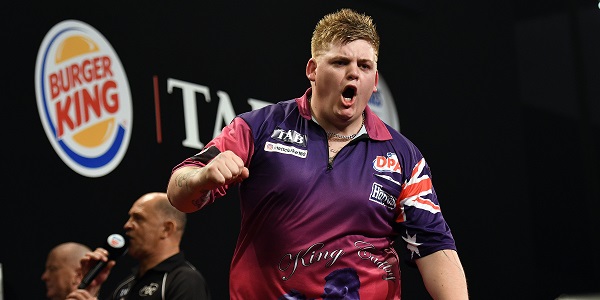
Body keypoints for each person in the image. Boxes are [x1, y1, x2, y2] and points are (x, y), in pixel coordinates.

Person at [166, 8, 468, 300]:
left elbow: (433, 246)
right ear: (313, 70)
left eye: (364, 66)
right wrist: (203, 176)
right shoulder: (259, 127)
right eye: (340, 62)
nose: (353, 73)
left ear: (374, 81)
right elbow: (178, 193)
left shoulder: (404, 155)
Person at [65, 192, 211, 300]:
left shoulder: (185, 281)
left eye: (138, 218)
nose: (127, 225)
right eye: (129, 218)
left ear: (166, 229)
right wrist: (90, 291)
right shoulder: (125, 286)